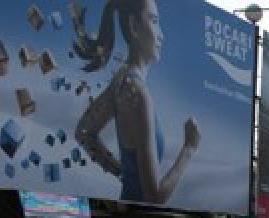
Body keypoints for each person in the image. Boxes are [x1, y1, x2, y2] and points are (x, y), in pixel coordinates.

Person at [74, 0, 202, 205]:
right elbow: (154, 196)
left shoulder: (121, 80)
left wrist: (121, 171)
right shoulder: (139, 95)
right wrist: (189, 148)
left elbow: (83, 132)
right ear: (133, 26)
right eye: (153, 21)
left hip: (129, 214)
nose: (161, 34)